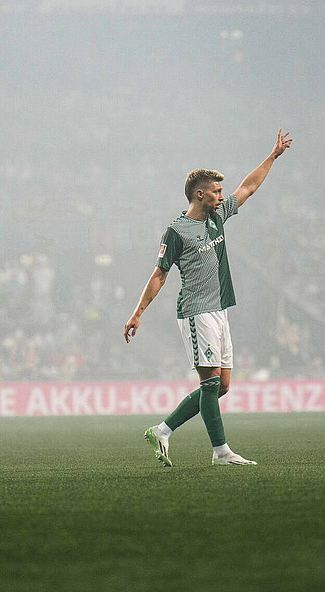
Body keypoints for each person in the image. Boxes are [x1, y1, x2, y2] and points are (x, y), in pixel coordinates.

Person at [124, 129, 292, 466]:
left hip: (219, 310)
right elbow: (160, 274)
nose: (221, 195)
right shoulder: (176, 231)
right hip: (195, 311)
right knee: (211, 382)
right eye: (215, 191)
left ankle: (162, 430)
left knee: (221, 386)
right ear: (199, 195)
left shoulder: (218, 215)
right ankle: (221, 453)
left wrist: (272, 156)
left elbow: (248, 187)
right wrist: (138, 312)